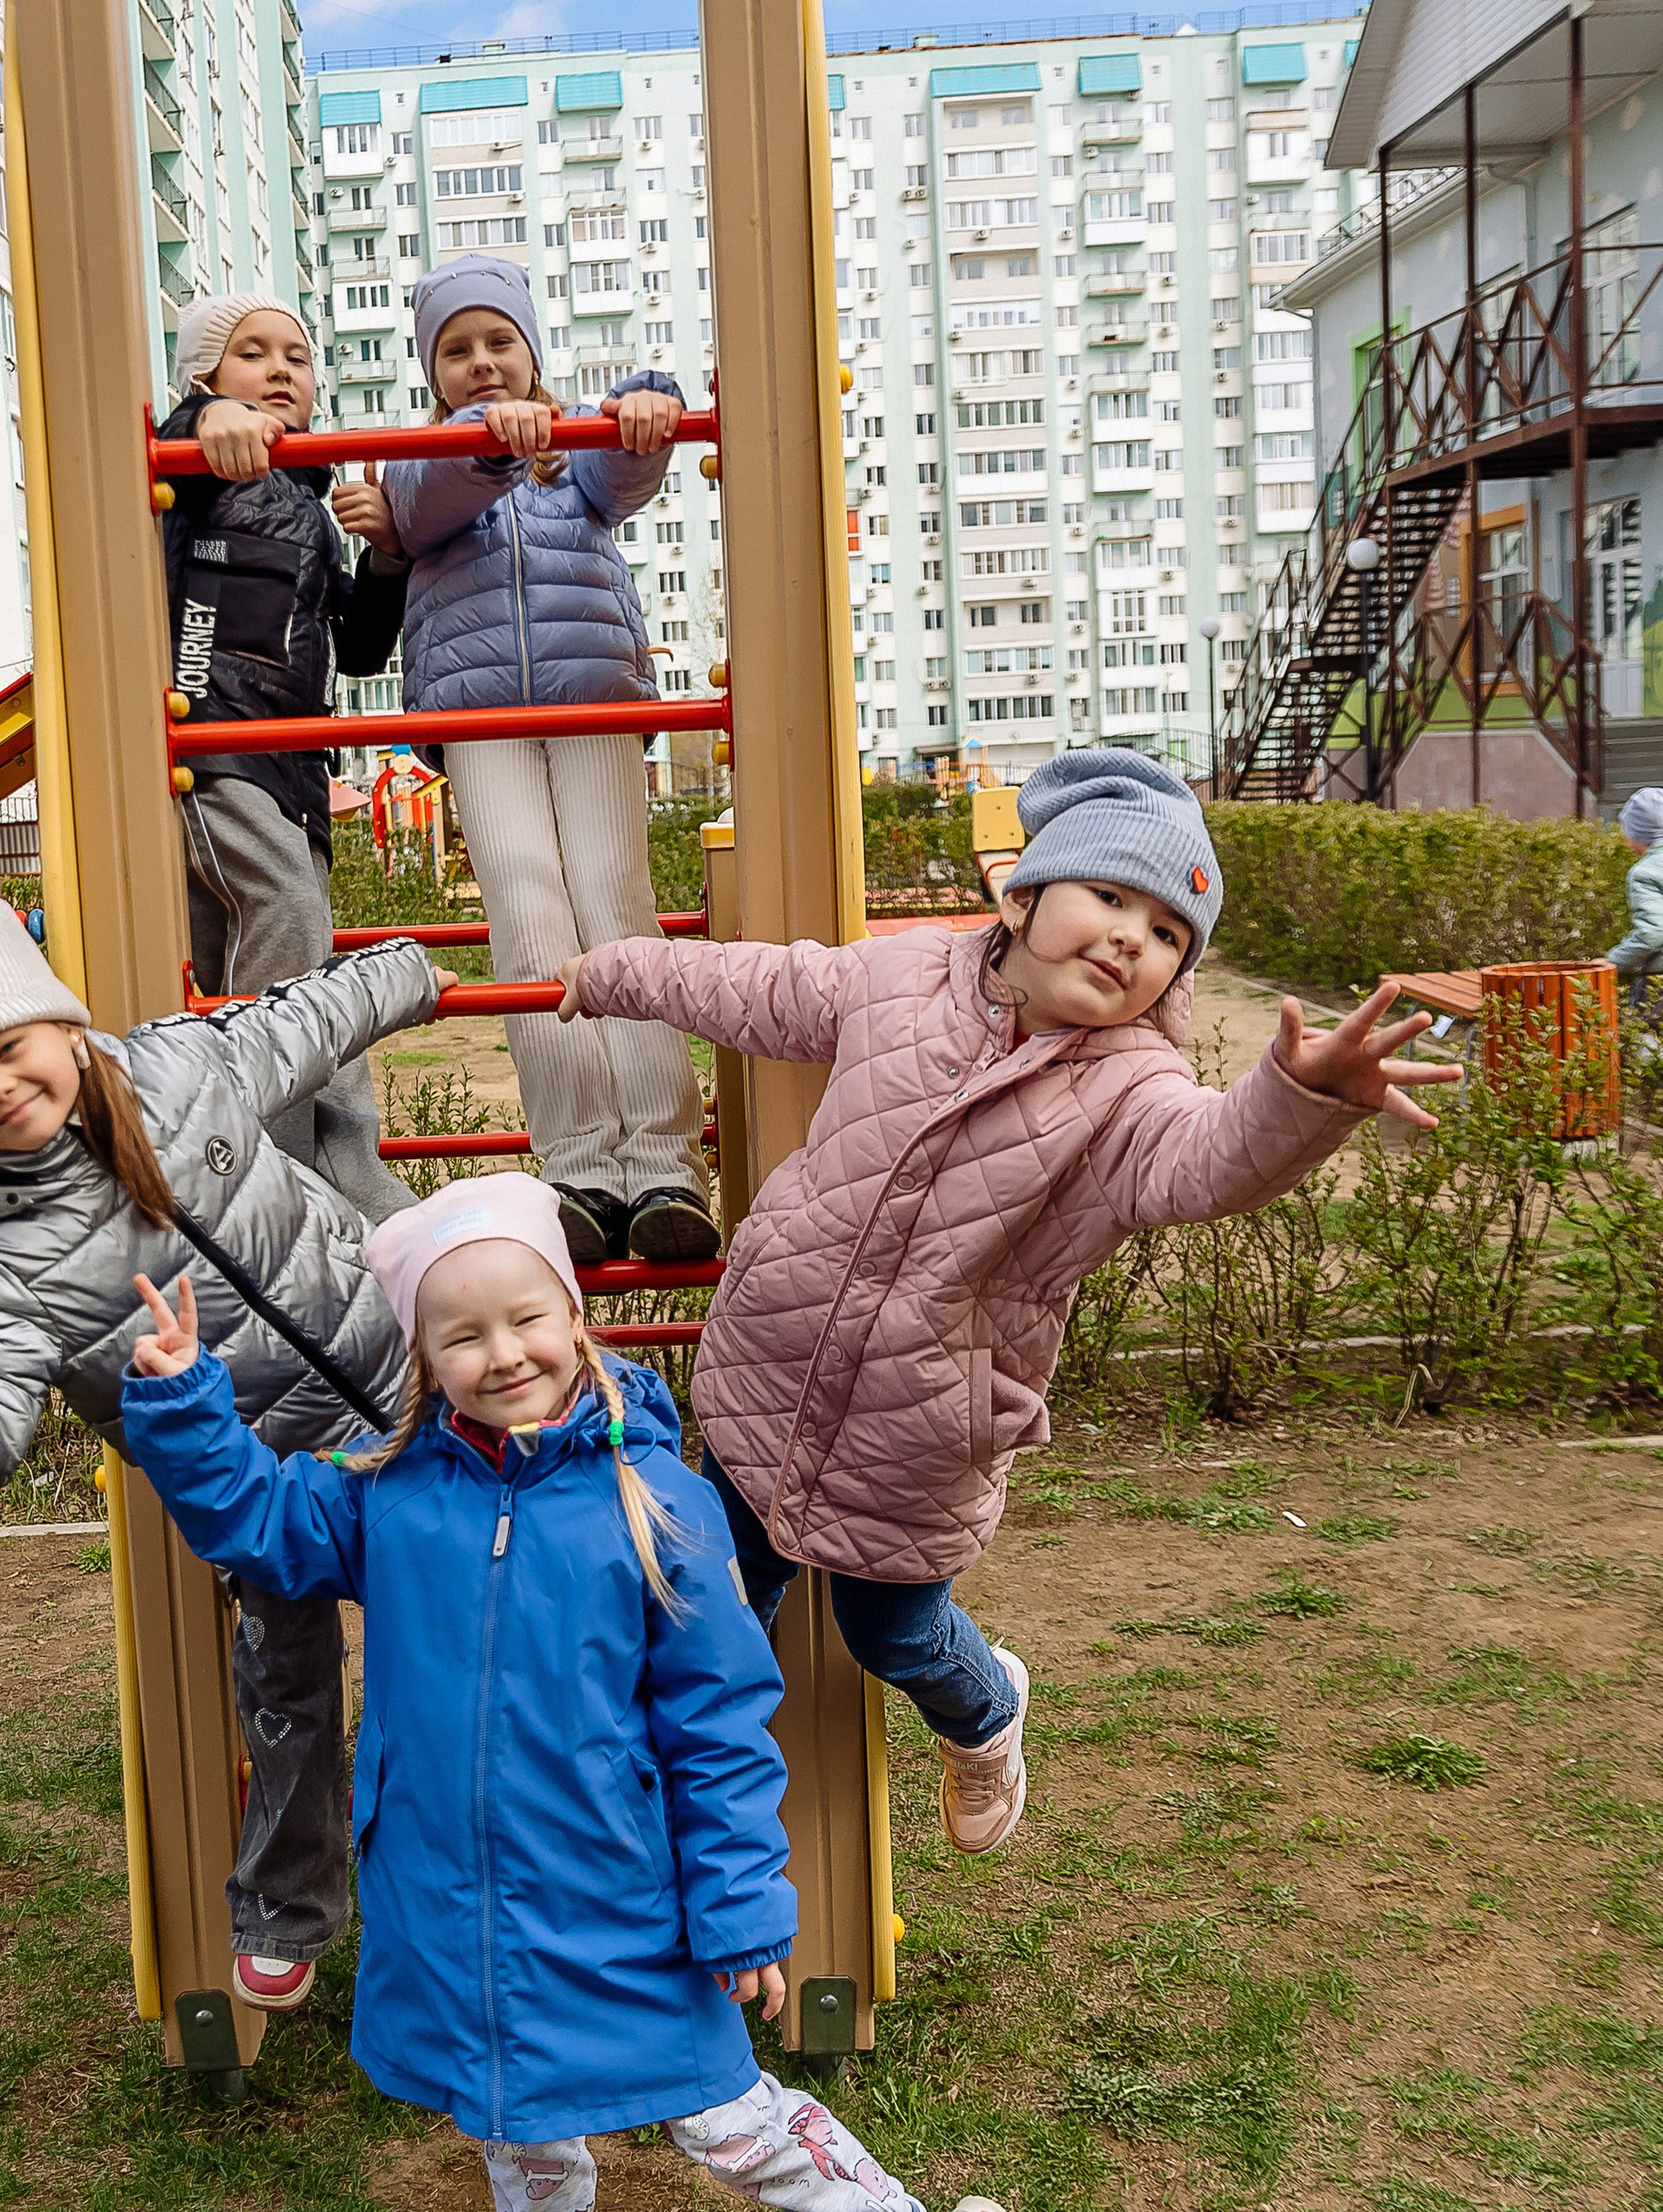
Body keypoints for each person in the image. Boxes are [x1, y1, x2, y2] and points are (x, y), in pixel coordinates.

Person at [118, 1173, 1061, 2212]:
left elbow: (724, 1723)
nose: (502, 1355)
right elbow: (260, 1526)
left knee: (733, 2128)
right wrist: (180, 1400)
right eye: (462, 1336)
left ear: (574, 1315)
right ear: (424, 1359)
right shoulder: (386, 1496)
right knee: (513, 2122)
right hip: (453, 1908)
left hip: (622, 1907)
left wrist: (740, 1908)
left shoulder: (653, 1501)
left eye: (525, 1320)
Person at [555, 748, 1458, 1852]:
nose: (1135, 937)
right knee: (716, 1603)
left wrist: (1302, 1097)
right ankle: (680, 1808)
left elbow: (1209, 1162)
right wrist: (617, 975)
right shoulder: (896, 981)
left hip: (921, 1425)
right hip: (768, 1371)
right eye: (1112, 897)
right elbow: (756, 985)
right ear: (1022, 896)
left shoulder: (1134, 1091)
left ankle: (986, 1712)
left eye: (1169, 934)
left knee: (890, 1634)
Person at [0, 889, 440, 2015]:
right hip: (261, 1480)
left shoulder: (182, 1074)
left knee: (476, 1634)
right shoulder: (1, 1263)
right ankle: (287, 1904)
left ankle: (511, 1875)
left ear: (64, 1029)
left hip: (411, 1382)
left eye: (8, 1049)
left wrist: (410, 973)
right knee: (286, 1679)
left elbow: (304, 1022)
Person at [366, 256, 719, 1273]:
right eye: (457, 350)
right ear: (433, 372)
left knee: (613, 896)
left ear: (531, 351)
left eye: (498, 343)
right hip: (479, 718)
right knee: (525, 910)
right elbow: (426, 503)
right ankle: (576, 1166)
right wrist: (485, 449)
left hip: (591, 693)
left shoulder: (569, 454)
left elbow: (627, 469)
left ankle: (660, 1162)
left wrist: (648, 402)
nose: (481, 364)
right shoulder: (420, 455)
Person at [161, 294, 415, 1223]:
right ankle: (270, 1174)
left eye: (296, 358)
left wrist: (385, 554)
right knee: (289, 918)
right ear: (204, 376)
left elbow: (355, 649)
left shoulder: (309, 502)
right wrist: (202, 422)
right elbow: (156, 460)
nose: (279, 370)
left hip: (295, 772)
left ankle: (341, 1158)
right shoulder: (195, 464)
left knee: (294, 957)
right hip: (212, 749)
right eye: (251, 354)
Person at [1609, 783, 1663, 1012]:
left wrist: (1613, 961)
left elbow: (1653, 932)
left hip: (1659, 985)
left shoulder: (1645, 872)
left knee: (1647, 1044)